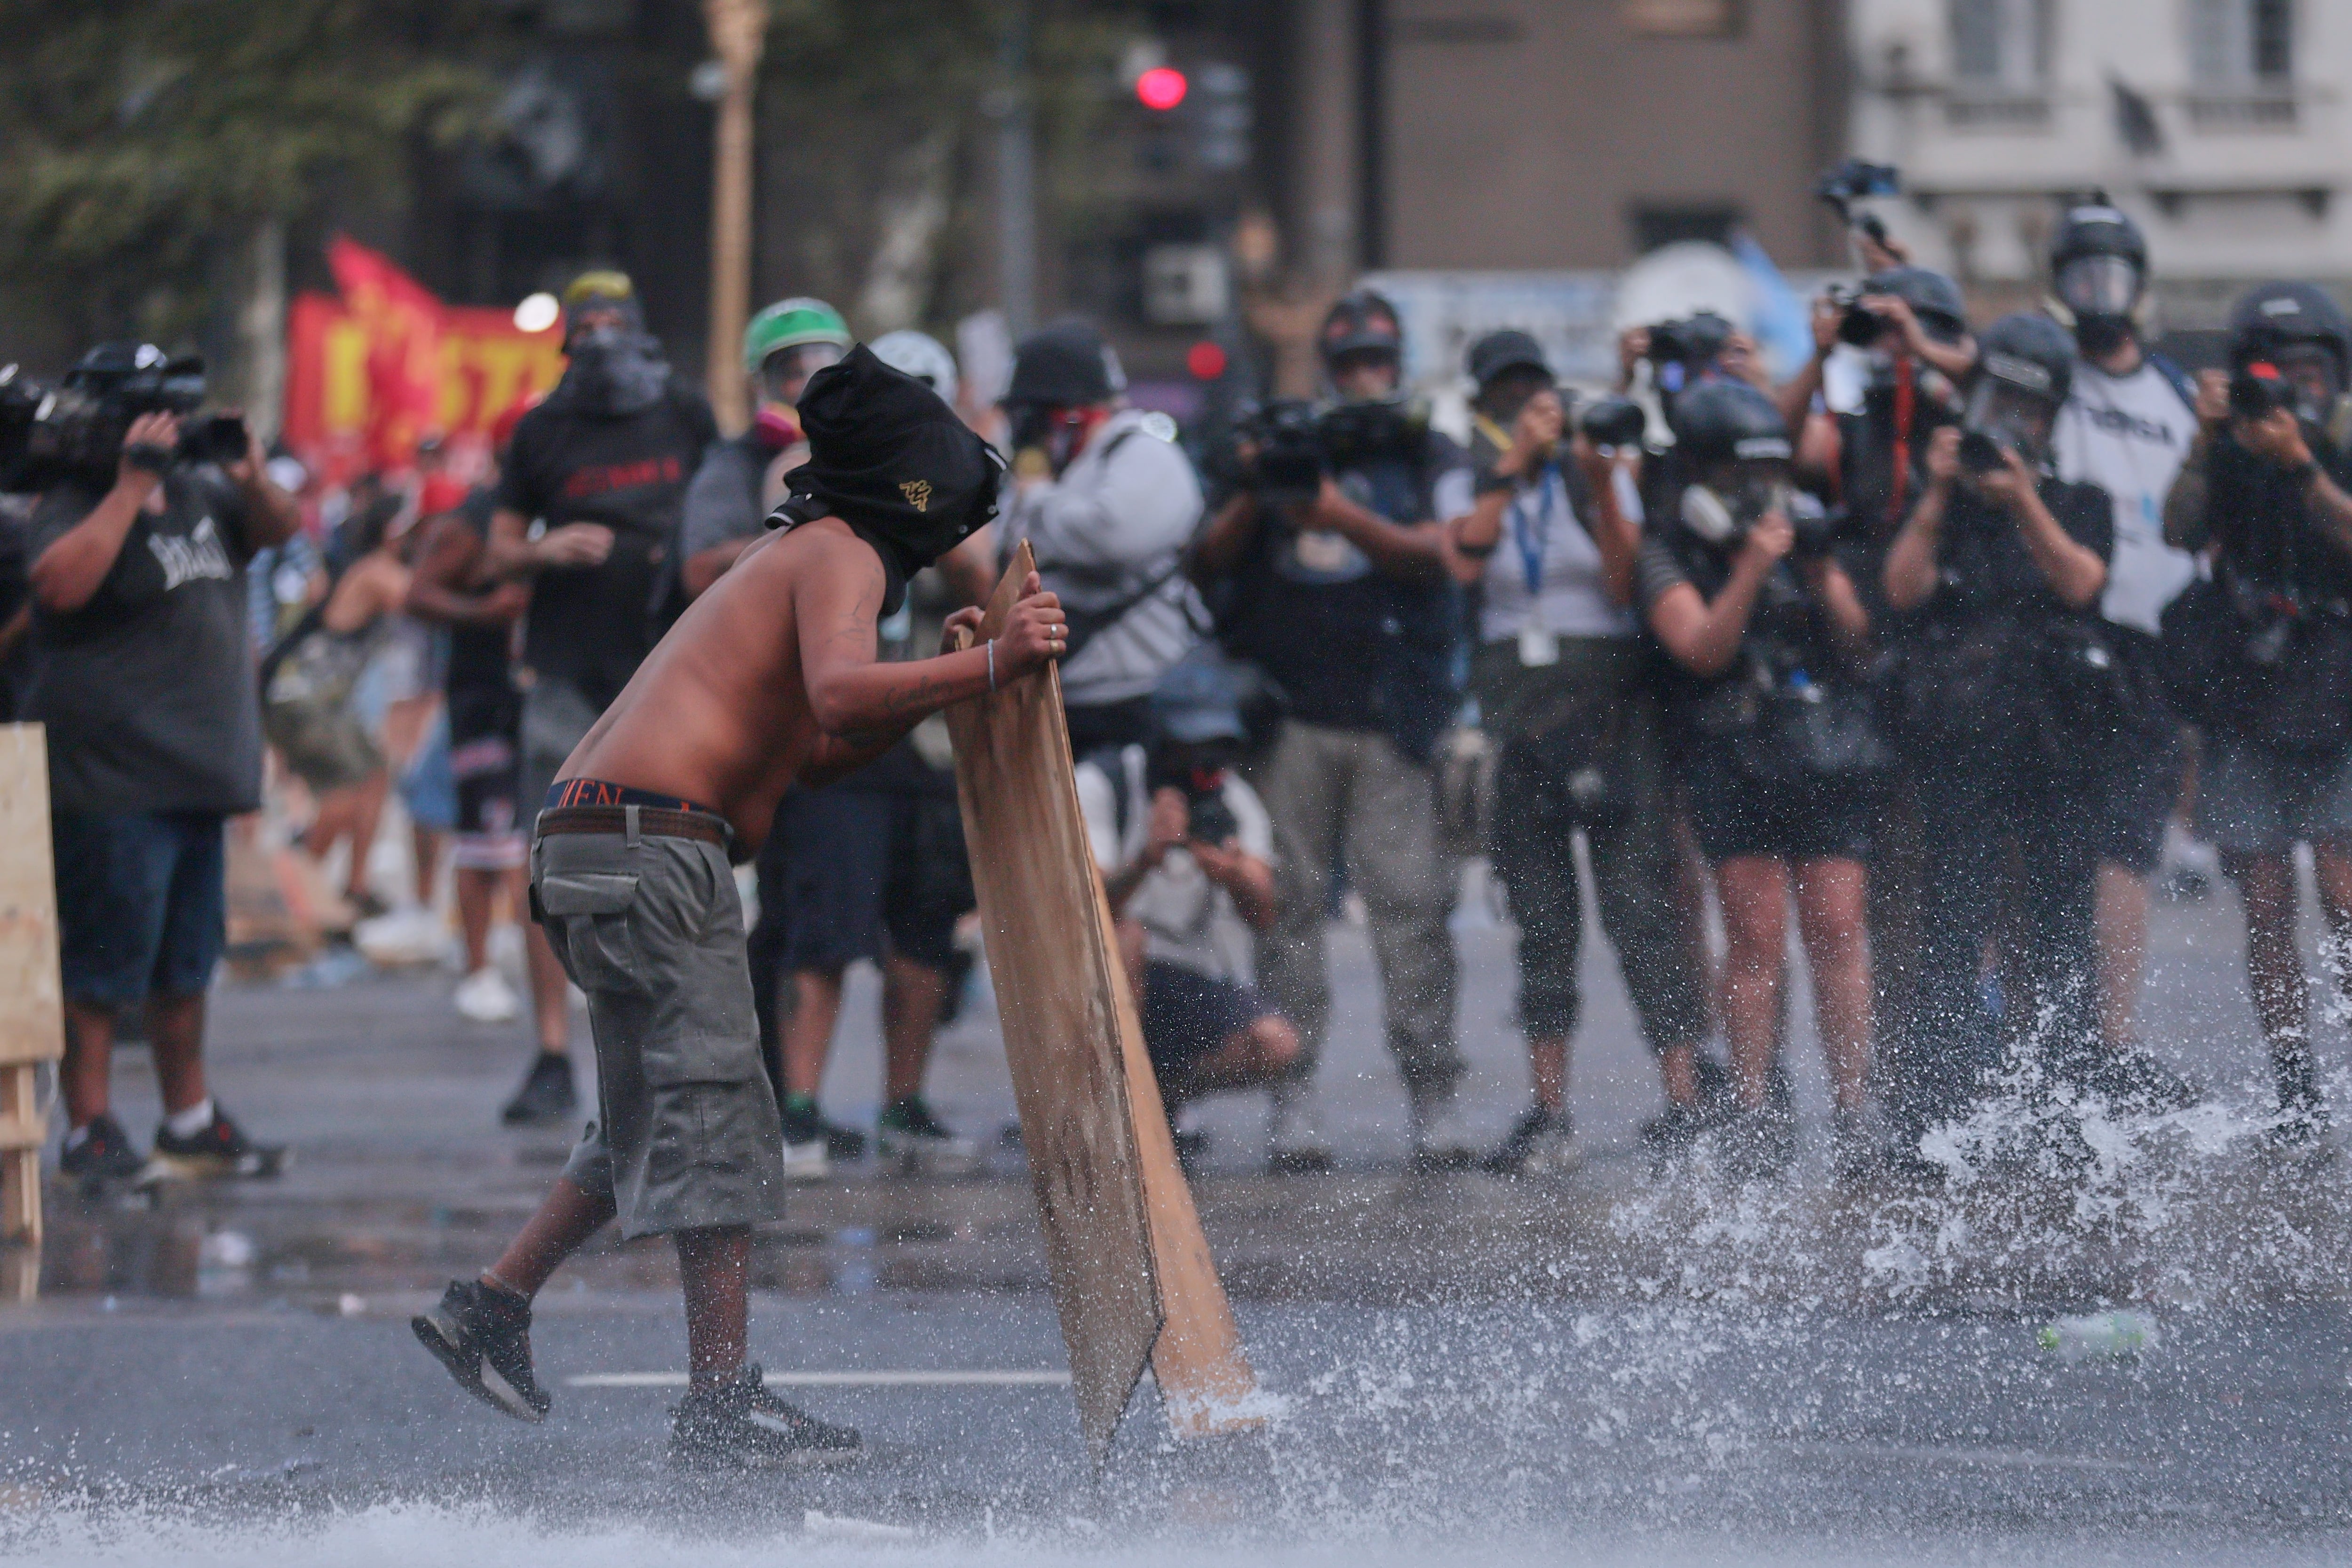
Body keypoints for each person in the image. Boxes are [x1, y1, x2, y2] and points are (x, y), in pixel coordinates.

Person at [412, 346, 1059, 1466]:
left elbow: (812, 750)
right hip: (645, 846)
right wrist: (992, 664)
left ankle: (492, 1306)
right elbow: (840, 694)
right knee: (716, 1113)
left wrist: (945, 682)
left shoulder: (804, 552)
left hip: (602, 840)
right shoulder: (840, 551)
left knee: (648, 1118)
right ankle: (720, 1406)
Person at [681, 312, 988, 1178]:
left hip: (921, 740)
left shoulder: (930, 478)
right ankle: (803, 1115)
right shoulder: (798, 470)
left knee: (924, 929)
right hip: (836, 727)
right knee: (823, 926)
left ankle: (902, 1103)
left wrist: (939, 495)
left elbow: (975, 563)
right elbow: (826, 663)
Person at [1194, 289, 1470, 1171]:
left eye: (1378, 360)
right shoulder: (1287, 446)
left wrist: (1338, 514)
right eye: (1348, 362)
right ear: (1327, 366)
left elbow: (1447, 552)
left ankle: (1433, 1093)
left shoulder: (1428, 449)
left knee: (1412, 907)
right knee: (1289, 911)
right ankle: (1295, 1094)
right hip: (1290, 714)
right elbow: (1205, 564)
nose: (1364, 378)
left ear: (1400, 361)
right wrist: (1257, 484)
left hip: (1394, 714)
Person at [26, 345, 301, 1181]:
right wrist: (127, 487)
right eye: (155, 413)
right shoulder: (77, 499)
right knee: (104, 967)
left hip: (196, 779)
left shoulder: (207, 490)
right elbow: (56, 586)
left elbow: (281, 531)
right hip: (114, 777)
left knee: (186, 966)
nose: (171, 426)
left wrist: (250, 474)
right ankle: (90, 1127)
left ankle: (188, 1119)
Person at [1443, 331, 1711, 1173]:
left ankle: (1684, 1100)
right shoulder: (1470, 474)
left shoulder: (1592, 469)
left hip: (1606, 708)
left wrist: (1594, 482)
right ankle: (1548, 1110)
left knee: (1640, 907)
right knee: (1541, 918)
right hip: (1518, 713)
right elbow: (1464, 560)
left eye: (1534, 393)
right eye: (1504, 396)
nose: (1522, 407)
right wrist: (1511, 463)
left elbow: (1622, 578)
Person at [483, 271, 717, 1125]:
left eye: (620, 322)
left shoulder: (685, 414)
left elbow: (728, 513)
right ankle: (552, 1053)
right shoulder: (543, 430)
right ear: (567, 341)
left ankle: (671, 1046)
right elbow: (498, 547)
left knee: (672, 853)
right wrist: (546, 550)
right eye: (590, 327)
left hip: (666, 671)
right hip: (566, 669)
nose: (604, 339)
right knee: (550, 857)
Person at [1880, 314, 2116, 1152]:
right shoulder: (1941, 502)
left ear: (2050, 420)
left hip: (2056, 740)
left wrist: (2023, 499)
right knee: (1952, 923)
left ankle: (2065, 1106)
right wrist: (1943, 493)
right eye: (1997, 401)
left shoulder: (2078, 498)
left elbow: (2084, 582)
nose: (2010, 421)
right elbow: (1901, 590)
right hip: (1962, 737)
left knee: (2059, 929)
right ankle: (1933, 1113)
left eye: (2028, 408)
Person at [1637, 383, 1883, 1178]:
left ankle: (1854, 1105)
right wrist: (1748, 567)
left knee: (1839, 928)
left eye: (1773, 473)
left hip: (1823, 749)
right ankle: (1751, 1104)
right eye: (1744, 477)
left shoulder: (1804, 533)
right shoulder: (1669, 545)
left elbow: (1858, 638)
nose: (1761, 493)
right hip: (1732, 752)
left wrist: (1816, 567)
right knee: (1753, 937)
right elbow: (1701, 647)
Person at [2161, 281, 2352, 1140]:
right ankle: (2295, 1088)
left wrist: (2301, 460)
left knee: (2345, 894)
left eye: (2310, 372)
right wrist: (2207, 441)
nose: (2293, 391)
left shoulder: (2339, 446)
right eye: (2276, 373)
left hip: (2338, 690)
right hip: (2247, 693)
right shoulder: (2227, 447)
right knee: (2266, 901)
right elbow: (2176, 528)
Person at [2042, 202, 2201, 1095]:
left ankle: (2110, 1039)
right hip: (2065, 636)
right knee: (2046, 838)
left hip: (2153, 645)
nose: (2099, 295)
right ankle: (2025, 1025)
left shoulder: (2173, 392)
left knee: (2127, 848)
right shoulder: (2054, 381)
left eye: (2113, 277)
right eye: (2082, 277)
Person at [1078, 657, 1299, 1140]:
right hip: (1097, 979)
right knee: (1127, 936)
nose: (1198, 765)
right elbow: (1085, 910)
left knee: (1275, 1044)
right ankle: (1115, 1109)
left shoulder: (1230, 800)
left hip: (1185, 978)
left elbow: (1265, 914)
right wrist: (1144, 859)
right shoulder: (1104, 784)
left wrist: (1235, 873)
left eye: (1213, 749)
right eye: (1187, 747)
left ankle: (1161, 1096)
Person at [995, 319, 1205, 756]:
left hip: (1141, 703)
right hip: (1065, 701)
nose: (1024, 431)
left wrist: (1037, 504)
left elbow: (1111, 536)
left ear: (1068, 413)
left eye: (1029, 415)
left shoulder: (1143, 453)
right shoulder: (1065, 471)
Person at [404, 481, 538, 1028]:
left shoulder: (564, 509)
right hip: (483, 699)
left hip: (542, 696)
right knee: (487, 839)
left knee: (541, 835)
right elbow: (418, 594)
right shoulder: (473, 521)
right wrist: (484, 609)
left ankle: (544, 961)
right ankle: (478, 969)